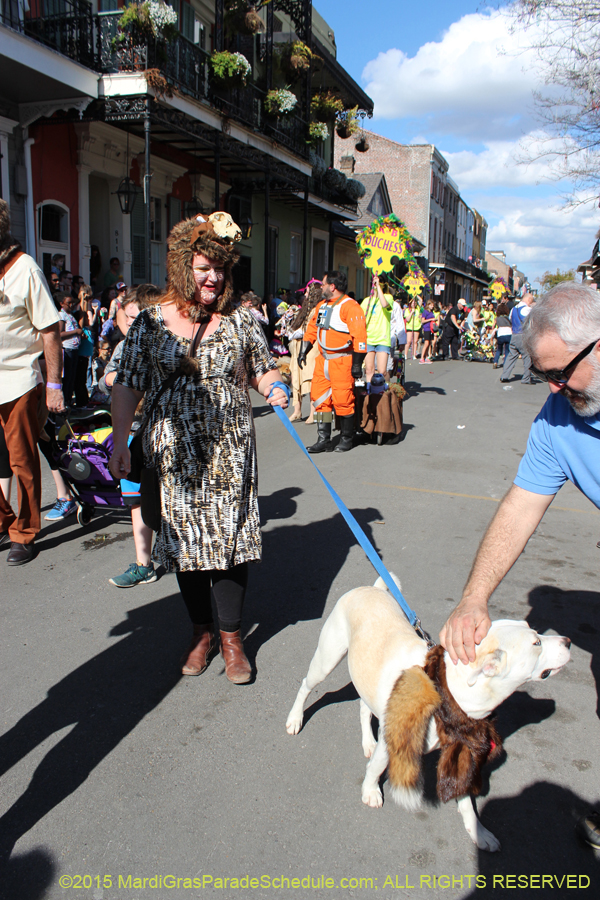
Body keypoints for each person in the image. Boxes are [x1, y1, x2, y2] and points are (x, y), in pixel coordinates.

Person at [437, 282, 600, 848]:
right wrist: (473, 597)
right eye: (542, 375)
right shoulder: (559, 416)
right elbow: (521, 506)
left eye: (561, 373)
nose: (553, 387)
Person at [108, 212, 287, 683]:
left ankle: (232, 639)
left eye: (220, 269)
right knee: (186, 545)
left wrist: (274, 387)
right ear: (183, 266)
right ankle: (200, 632)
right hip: (174, 458)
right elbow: (126, 383)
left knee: (229, 542)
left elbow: (262, 367)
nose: (214, 278)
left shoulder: (241, 320)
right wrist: (121, 440)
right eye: (204, 268)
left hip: (230, 452)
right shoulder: (150, 323)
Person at [0, 199, 65, 565]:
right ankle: (3, 520)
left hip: (18, 381)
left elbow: (50, 330)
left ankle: (24, 532)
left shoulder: (24, 268)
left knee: (22, 461)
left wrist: (54, 385)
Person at [299, 270, 367, 454]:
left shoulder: (351, 307)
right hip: (323, 360)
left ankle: (346, 438)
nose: (321, 287)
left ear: (333, 286)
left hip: (342, 361)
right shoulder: (322, 306)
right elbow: (312, 329)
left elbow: (360, 338)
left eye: (323, 284)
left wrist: (356, 364)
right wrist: (303, 350)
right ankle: (324, 440)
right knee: (320, 400)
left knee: (343, 400)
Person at [287, 280, 321, 422]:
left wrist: (301, 333)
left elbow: (316, 328)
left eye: (307, 292)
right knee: (296, 378)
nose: (305, 294)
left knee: (311, 379)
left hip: (311, 348)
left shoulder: (319, 309)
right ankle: (297, 411)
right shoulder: (304, 308)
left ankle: (313, 412)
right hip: (298, 347)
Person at [360, 274, 392, 383]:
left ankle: (386, 386)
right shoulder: (366, 301)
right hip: (368, 338)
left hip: (382, 339)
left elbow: (384, 305)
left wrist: (378, 287)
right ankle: (370, 391)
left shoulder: (388, 297)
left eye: (379, 281)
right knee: (369, 370)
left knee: (382, 371)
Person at [500, 292, 536, 384]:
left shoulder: (513, 309)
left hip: (514, 335)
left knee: (511, 356)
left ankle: (504, 376)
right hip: (523, 335)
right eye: (531, 301)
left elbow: (510, 320)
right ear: (528, 300)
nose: (531, 303)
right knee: (527, 357)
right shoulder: (527, 309)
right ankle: (526, 379)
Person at [57, 291, 82, 406]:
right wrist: (75, 332)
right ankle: (65, 401)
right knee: (67, 377)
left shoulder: (71, 315)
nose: (71, 305)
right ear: (62, 303)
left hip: (74, 348)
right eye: (68, 303)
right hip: (67, 349)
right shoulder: (61, 315)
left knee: (72, 377)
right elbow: (60, 334)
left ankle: (69, 400)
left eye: (72, 303)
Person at [493, 301, 512, 368]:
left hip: (500, 333)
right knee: (506, 350)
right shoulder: (508, 318)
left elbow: (493, 326)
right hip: (508, 333)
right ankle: (505, 363)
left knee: (499, 349)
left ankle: (495, 362)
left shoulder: (497, 318)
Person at [419, 299, 436, 364]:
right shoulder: (425, 312)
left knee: (429, 344)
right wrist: (431, 319)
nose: (432, 306)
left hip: (431, 329)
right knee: (426, 343)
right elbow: (423, 321)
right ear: (428, 305)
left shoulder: (431, 312)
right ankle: (422, 358)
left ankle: (426, 357)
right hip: (426, 329)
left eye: (433, 305)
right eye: (431, 305)